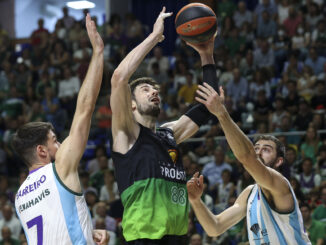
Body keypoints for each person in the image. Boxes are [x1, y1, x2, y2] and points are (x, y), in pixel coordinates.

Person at [110, 7, 219, 245]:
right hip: (144, 237)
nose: (154, 91)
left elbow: (207, 106)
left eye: (155, 89)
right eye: (145, 89)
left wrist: (206, 54)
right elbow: (119, 78)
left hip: (178, 236)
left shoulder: (169, 133)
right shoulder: (126, 134)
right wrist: (154, 37)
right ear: (131, 106)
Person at [12, 14, 109, 245]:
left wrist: (89, 232)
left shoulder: (19, 197)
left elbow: (56, 224)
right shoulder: (60, 168)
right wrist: (97, 53)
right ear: (42, 151)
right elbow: (85, 108)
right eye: (54, 140)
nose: (60, 145)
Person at [187, 82, 311, 244]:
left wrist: (222, 114)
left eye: (266, 149)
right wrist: (196, 201)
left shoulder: (280, 184)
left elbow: (248, 157)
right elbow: (215, 228)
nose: (259, 152)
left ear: (279, 161)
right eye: (256, 147)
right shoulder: (249, 193)